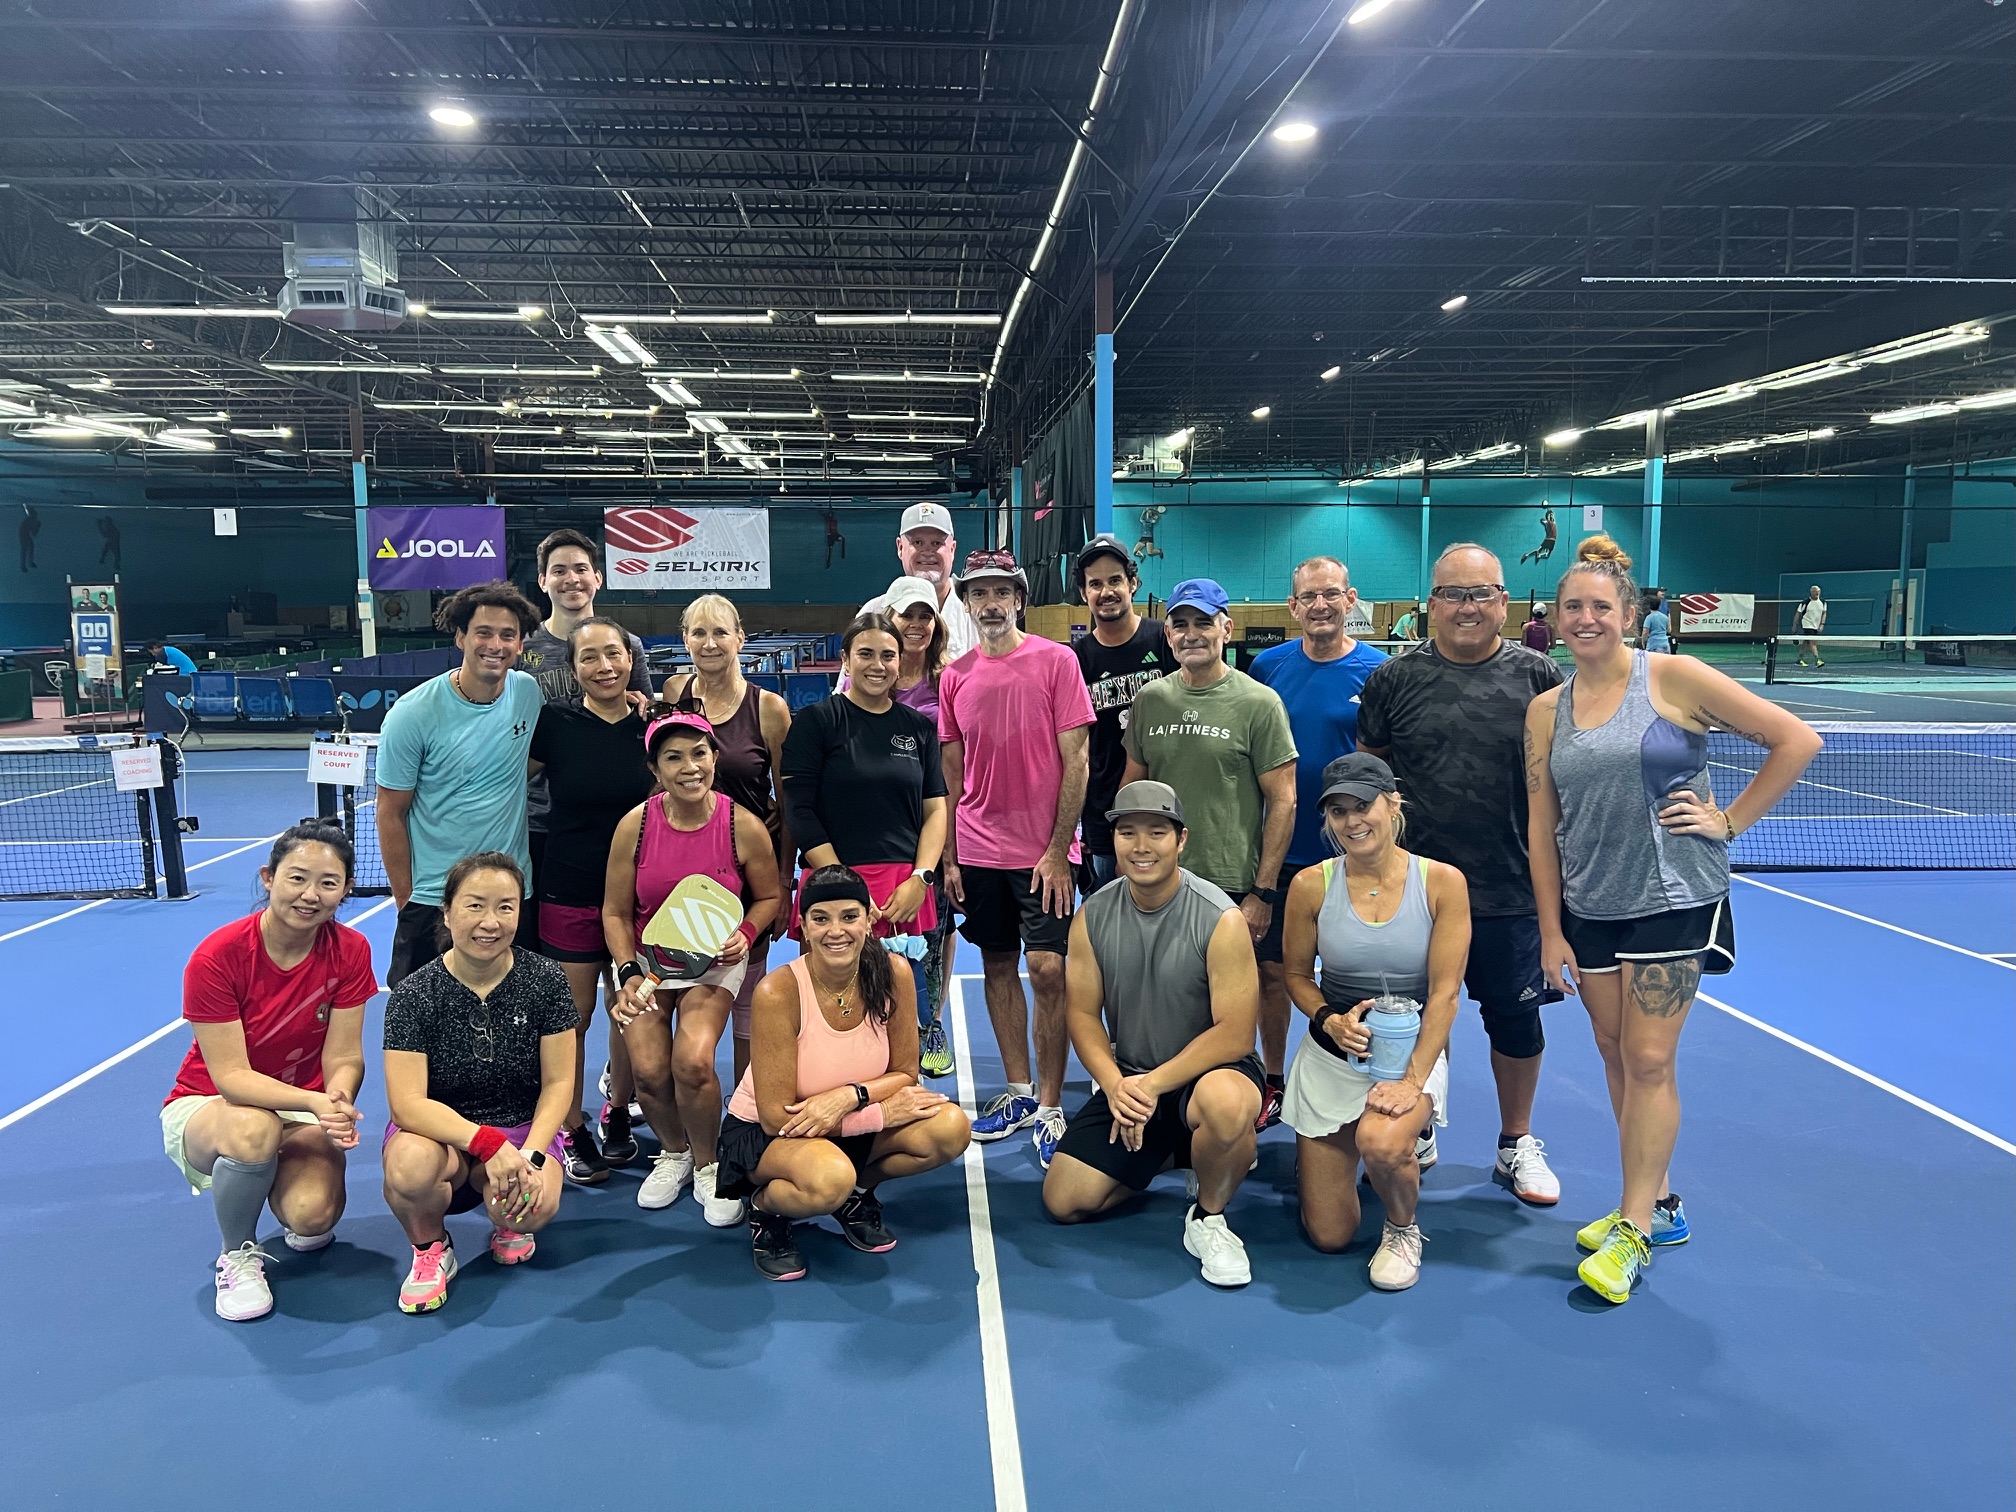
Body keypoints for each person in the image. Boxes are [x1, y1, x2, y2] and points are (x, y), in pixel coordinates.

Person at [1526, 535, 1821, 1305]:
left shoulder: (1675, 677)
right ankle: (1658, 1200)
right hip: (1590, 907)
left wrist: (1731, 822)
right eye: (1573, 607)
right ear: (1554, 618)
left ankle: (1632, 1228)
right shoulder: (1544, 711)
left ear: (1629, 613)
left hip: (1674, 897)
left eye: (1601, 606)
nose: (1586, 618)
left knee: (1651, 1060)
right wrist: (1551, 928)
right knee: (1618, 1056)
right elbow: (1540, 825)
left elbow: (1796, 740)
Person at [1357, 543, 1565, 1200]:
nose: (1468, 607)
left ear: (1504, 602)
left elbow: (1572, 773)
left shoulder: (1541, 676)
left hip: (1511, 888)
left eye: (1482, 594)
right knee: (1415, 1020)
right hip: (1416, 893)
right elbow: (1372, 771)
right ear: (1431, 605)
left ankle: (1515, 1142)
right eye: (1454, 594)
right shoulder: (1394, 680)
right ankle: (1420, 1123)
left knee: (1514, 1020)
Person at [1041, 782, 1265, 1288]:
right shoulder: (1092, 915)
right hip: (1134, 1075)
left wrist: (1150, 1086)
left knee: (1226, 1108)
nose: (1142, 846)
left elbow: (1235, 1034)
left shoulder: (1220, 918)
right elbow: (1082, 1015)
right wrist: (1116, 1084)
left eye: (1157, 832)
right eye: (1128, 833)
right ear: (1113, 839)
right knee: (1066, 1201)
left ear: (1181, 840)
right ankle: (1186, 1152)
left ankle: (1207, 1216)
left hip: (1208, 1073)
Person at [161, 821, 375, 1322]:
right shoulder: (218, 956)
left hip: (301, 1107)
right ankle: (236, 1253)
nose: (311, 895)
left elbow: (343, 1056)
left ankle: (272, 1173)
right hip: (212, 1106)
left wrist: (339, 1098)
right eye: (297, 878)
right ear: (268, 877)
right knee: (254, 1127)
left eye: (328, 882)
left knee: (311, 1219)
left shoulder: (351, 951)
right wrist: (317, 1104)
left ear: (345, 889)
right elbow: (231, 1077)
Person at [717, 866, 972, 1281]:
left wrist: (849, 1097)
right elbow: (776, 1117)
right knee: (828, 1178)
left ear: (869, 919)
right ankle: (767, 1210)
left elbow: (906, 1072)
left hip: (844, 1120)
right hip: (772, 1135)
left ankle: (852, 1194)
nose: (836, 931)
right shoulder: (778, 993)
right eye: (821, 918)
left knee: (950, 1128)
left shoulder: (895, 973)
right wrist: (881, 1115)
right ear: (803, 925)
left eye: (849, 916)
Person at [1281, 755, 1467, 1292]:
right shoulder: (1310, 886)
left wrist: (1411, 1082)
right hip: (1332, 1055)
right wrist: (1328, 1019)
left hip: (1411, 1055)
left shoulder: (1443, 883)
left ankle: (1402, 1226)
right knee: (1331, 1234)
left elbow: (1446, 993)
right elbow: (1296, 975)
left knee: (1381, 1143)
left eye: (1363, 806)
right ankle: (1338, 1152)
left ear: (1393, 805)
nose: (1351, 821)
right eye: (1338, 811)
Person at [938, 549, 1095, 1166]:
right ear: (968, 603)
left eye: (1003, 592)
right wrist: (951, 856)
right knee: (999, 965)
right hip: (978, 851)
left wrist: (1058, 852)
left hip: (1044, 856)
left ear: (1019, 599)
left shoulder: (1057, 662)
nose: (992, 604)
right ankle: (1019, 1092)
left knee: (1050, 971)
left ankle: (1053, 1105)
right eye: (980, 594)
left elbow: (1076, 761)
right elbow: (952, 774)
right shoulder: (956, 676)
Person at [600, 710, 783, 1222]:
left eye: (699, 754)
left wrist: (744, 935)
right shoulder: (633, 827)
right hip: (645, 960)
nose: (689, 766)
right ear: (655, 769)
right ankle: (675, 1153)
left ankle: (709, 1164)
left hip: (713, 962)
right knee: (649, 1071)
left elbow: (770, 896)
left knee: (694, 1062)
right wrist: (627, 973)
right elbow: (614, 912)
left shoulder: (741, 825)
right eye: (673, 757)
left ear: (714, 758)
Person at [1122, 578, 1296, 1104]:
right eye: (1180, 624)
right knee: (1165, 987)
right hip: (1160, 880)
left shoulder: (1258, 703)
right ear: (1168, 635)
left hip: (1229, 882)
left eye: (1203, 623)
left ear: (1226, 628)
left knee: (1252, 991)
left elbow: (1283, 800)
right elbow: (1133, 788)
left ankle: (1266, 1081)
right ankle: (1164, 1086)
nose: (1191, 634)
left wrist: (1262, 892)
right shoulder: (1151, 699)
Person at [380, 853, 577, 1314]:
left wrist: (530, 1152)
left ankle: (508, 1221)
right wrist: (486, 1143)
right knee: (409, 1169)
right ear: (447, 913)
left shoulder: (546, 980)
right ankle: (431, 1250)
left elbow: (560, 1081)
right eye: (475, 906)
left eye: (506, 907)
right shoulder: (413, 994)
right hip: (439, 1137)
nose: (491, 922)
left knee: (533, 1206)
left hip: (521, 1129)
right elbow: (407, 1105)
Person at [783, 609, 951, 1085]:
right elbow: (799, 811)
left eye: (888, 655)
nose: (877, 665)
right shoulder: (818, 722)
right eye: (866, 654)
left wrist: (922, 877)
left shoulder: (917, 728)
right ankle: (828, 1096)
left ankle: (893, 1105)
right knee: (835, 1011)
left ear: (901, 662)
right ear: (846, 660)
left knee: (900, 1013)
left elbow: (935, 810)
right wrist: (847, 885)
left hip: (903, 891)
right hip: (835, 884)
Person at [1248, 557, 1387, 1126]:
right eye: (1309, 597)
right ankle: (1275, 1079)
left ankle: (1378, 1082)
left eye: (1332, 594)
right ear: (1293, 606)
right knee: (1275, 973)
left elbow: (1385, 768)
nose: (1321, 606)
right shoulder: (1267, 667)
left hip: (1353, 858)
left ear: (1350, 599)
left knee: (1364, 978)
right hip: (1283, 855)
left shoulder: (1378, 672)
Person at [526, 617, 655, 1185]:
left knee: (631, 1011)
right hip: (570, 885)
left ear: (630, 660)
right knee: (570, 1020)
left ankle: (617, 1112)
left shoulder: (651, 726)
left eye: (613, 654)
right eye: (589, 658)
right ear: (573, 667)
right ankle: (571, 1128)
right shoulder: (553, 724)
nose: (603, 666)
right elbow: (511, 784)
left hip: (639, 895)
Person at [375, 581, 544, 988]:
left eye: (508, 635)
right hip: (436, 900)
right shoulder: (411, 714)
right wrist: (406, 900)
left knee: (514, 1028)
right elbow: (390, 812)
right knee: (423, 1032)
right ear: (460, 637)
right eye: (483, 633)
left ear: (520, 645)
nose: (495, 645)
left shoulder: (527, 692)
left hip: (511, 898)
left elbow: (526, 763)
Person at [661, 593, 794, 1089]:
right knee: (679, 991)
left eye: (721, 632)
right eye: (698, 632)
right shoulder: (673, 692)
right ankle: (681, 1108)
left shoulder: (770, 709)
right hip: (675, 874)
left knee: (744, 999)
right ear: (685, 641)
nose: (710, 642)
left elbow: (790, 802)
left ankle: (742, 1113)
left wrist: (781, 882)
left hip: (745, 878)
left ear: (740, 638)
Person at [516, 528, 652, 963]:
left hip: (624, 825)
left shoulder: (627, 644)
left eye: (580, 569)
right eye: (558, 571)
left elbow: (643, 714)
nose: (570, 579)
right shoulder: (523, 646)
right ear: (542, 582)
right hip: (546, 829)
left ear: (597, 577)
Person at [1071, 533, 1166, 898]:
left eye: (1115, 581)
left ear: (1133, 583)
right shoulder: (1077, 659)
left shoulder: (1163, 640)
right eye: (1095, 584)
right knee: (1109, 922)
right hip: (1104, 814)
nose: (1106, 592)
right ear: (1084, 593)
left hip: (1165, 805)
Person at [863, 502, 978, 659]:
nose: (927, 552)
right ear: (900, 548)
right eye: (917, 543)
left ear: (952, 550)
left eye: (937, 543)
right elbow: (850, 681)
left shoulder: (974, 613)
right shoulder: (875, 611)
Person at [1795, 584, 1828, 665]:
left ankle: (1799, 659)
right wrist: (1794, 625)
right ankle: (1818, 660)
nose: (1817, 593)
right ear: (1811, 592)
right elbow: (1798, 614)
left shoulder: (1823, 602)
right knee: (1812, 642)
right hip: (1807, 625)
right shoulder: (1805, 602)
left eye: (1818, 591)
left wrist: (1822, 624)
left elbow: (1824, 613)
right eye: (1815, 591)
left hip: (1816, 626)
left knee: (1806, 642)